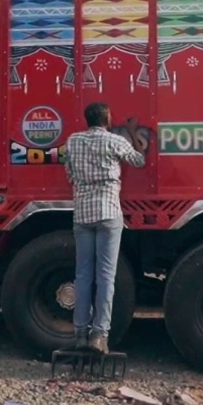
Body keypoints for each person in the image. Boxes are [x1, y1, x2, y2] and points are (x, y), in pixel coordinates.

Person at [62, 102, 147, 354]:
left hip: (82, 214)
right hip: (109, 213)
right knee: (106, 276)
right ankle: (99, 335)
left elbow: (70, 173)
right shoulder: (114, 141)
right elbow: (139, 160)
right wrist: (132, 132)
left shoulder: (73, 141)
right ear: (107, 119)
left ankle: (79, 334)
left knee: (83, 275)